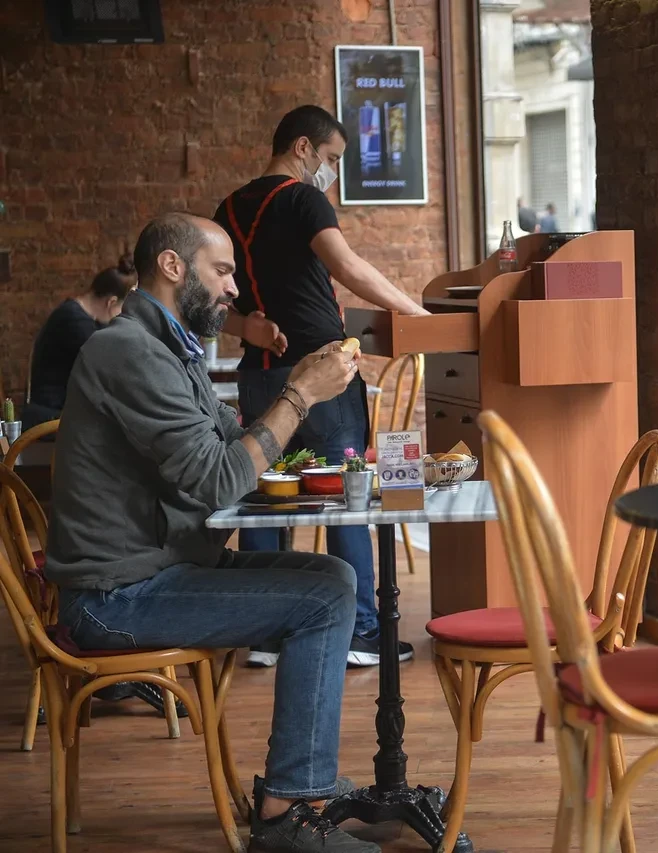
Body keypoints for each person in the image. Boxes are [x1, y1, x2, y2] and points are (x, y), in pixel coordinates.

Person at [44, 213, 381, 853]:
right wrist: (299, 397)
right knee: (324, 598)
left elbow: (235, 446)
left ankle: (301, 782)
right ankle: (286, 812)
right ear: (173, 266)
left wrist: (301, 391)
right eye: (222, 271)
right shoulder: (128, 351)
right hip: (115, 597)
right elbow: (218, 481)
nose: (234, 289)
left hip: (162, 567)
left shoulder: (172, 350)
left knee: (334, 578)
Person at [213, 105, 427, 668]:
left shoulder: (227, 209)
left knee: (265, 495)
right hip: (322, 370)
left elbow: (214, 303)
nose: (330, 170)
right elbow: (347, 266)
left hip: (260, 372)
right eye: (331, 157)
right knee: (347, 495)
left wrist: (247, 327)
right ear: (303, 147)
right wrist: (415, 314)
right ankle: (360, 630)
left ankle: (264, 634)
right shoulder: (303, 198)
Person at [24, 255, 136, 427]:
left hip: (65, 413)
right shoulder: (74, 322)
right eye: (123, 309)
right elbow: (113, 368)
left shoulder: (80, 317)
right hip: (52, 417)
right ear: (111, 302)